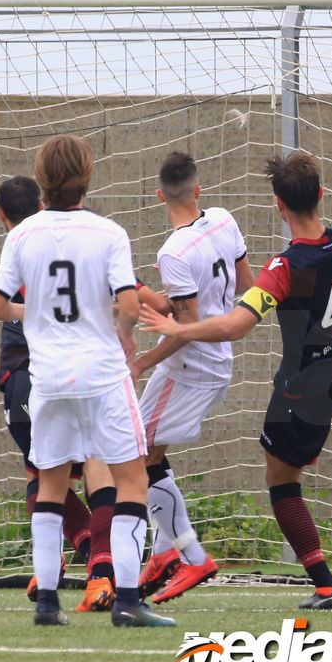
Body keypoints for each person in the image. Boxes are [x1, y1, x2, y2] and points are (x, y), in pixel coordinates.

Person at [140, 151, 332, 610]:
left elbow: (238, 325)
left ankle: (325, 586)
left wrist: (178, 328)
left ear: (279, 205)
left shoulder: (284, 269)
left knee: (281, 483)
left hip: (302, 390)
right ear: (321, 195)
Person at [0, 133, 175, 626]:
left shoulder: (21, 236)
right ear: (87, 177)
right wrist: (127, 332)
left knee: (49, 485)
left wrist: (33, 312)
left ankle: (48, 602)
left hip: (47, 378)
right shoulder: (108, 233)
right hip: (103, 375)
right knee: (131, 479)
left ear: (41, 180)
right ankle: (129, 601)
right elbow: (130, 304)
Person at [128, 152, 253, 604]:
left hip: (190, 369)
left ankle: (191, 556)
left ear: (160, 195)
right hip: (215, 360)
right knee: (147, 453)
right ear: (198, 190)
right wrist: (174, 302)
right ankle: (164, 554)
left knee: (136, 454)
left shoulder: (172, 251)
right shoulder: (223, 219)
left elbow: (184, 327)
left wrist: (142, 362)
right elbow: (243, 285)